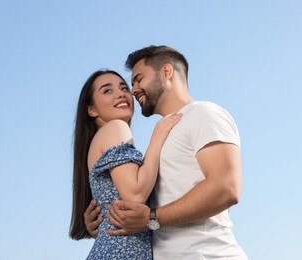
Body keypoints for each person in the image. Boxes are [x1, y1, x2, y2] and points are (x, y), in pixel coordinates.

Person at [84, 45, 247, 259]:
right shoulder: (161, 135)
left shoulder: (203, 113)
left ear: (167, 72)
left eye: (138, 79)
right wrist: (103, 215)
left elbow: (227, 187)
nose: (133, 90)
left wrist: (151, 217)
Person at [69, 69, 182, 259]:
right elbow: (135, 195)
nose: (121, 93)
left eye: (123, 87)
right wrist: (157, 138)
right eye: (107, 91)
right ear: (92, 110)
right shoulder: (115, 127)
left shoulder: (102, 139)